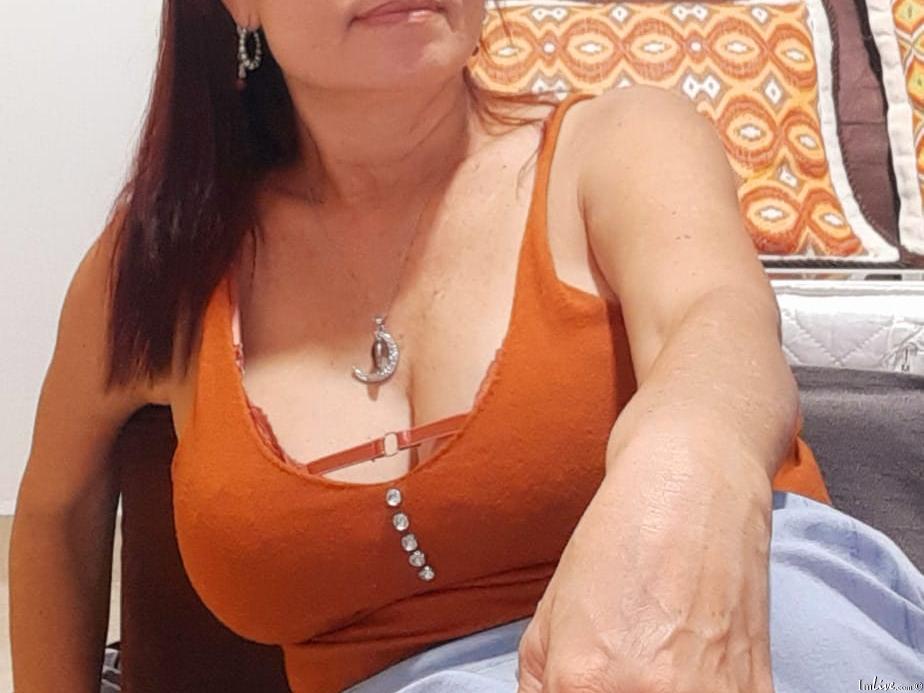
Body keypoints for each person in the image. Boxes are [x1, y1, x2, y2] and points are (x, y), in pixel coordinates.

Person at [9, 0, 923, 691]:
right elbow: (54, 511)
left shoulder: (619, 143)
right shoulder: (163, 265)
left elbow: (718, 325)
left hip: (767, 624)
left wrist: (686, 468)